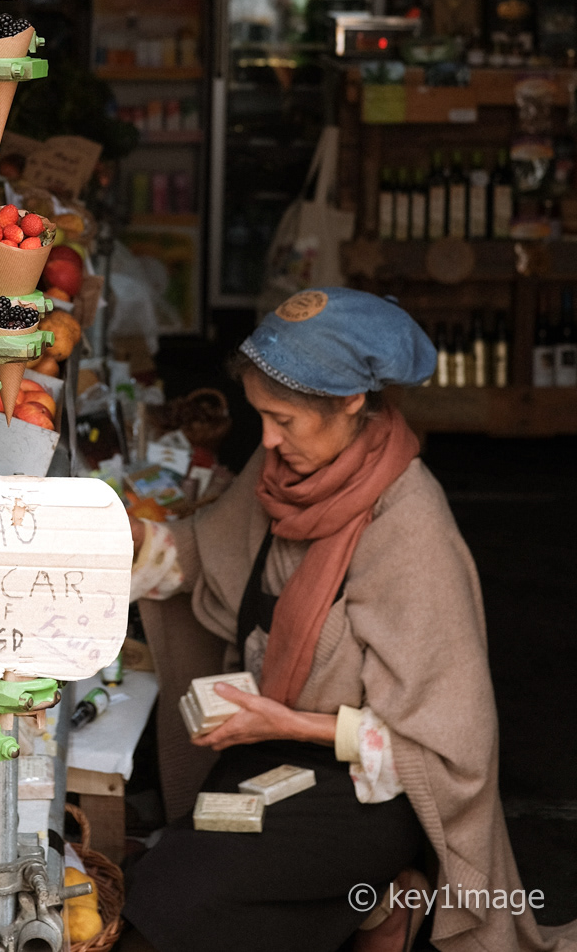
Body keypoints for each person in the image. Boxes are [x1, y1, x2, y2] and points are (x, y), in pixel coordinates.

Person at [122, 288, 576, 952]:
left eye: (282, 420)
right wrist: (120, 538)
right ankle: (378, 910)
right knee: (158, 883)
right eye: (260, 417)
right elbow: (202, 556)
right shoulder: (280, 472)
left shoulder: (411, 530)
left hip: (368, 790)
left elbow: (445, 751)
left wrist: (289, 723)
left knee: (181, 900)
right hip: (267, 752)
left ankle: (391, 894)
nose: (267, 440)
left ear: (350, 403)